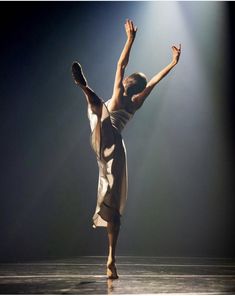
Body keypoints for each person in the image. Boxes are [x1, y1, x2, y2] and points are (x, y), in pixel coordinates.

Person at [71, 19, 181, 279]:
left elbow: (121, 65)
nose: (127, 78)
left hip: (103, 134)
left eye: (131, 78)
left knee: (97, 106)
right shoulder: (135, 103)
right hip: (113, 148)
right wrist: (173, 64)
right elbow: (153, 82)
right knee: (113, 205)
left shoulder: (120, 94)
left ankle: (85, 88)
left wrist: (130, 40)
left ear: (130, 82)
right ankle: (111, 259)